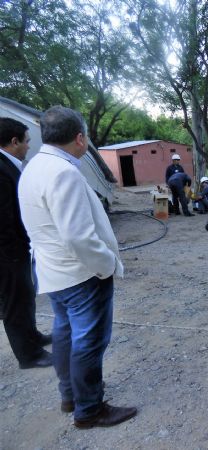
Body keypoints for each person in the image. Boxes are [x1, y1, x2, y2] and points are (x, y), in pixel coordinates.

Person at [18, 106, 136, 428]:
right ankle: (90, 410)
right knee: (89, 341)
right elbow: (78, 237)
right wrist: (107, 265)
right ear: (80, 138)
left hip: (54, 273)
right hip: (81, 274)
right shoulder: (64, 172)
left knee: (66, 335)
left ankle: (70, 396)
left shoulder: (33, 167)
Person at [0, 117, 53, 370]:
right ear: (14, 142)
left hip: (17, 249)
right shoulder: (1, 169)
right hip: (6, 254)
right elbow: (3, 220)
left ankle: (32, 336)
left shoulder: (10, 165)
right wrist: (14, 253)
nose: (29, 146)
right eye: (27, 140)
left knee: (26, 295)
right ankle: (28, 355)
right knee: (13, 302)